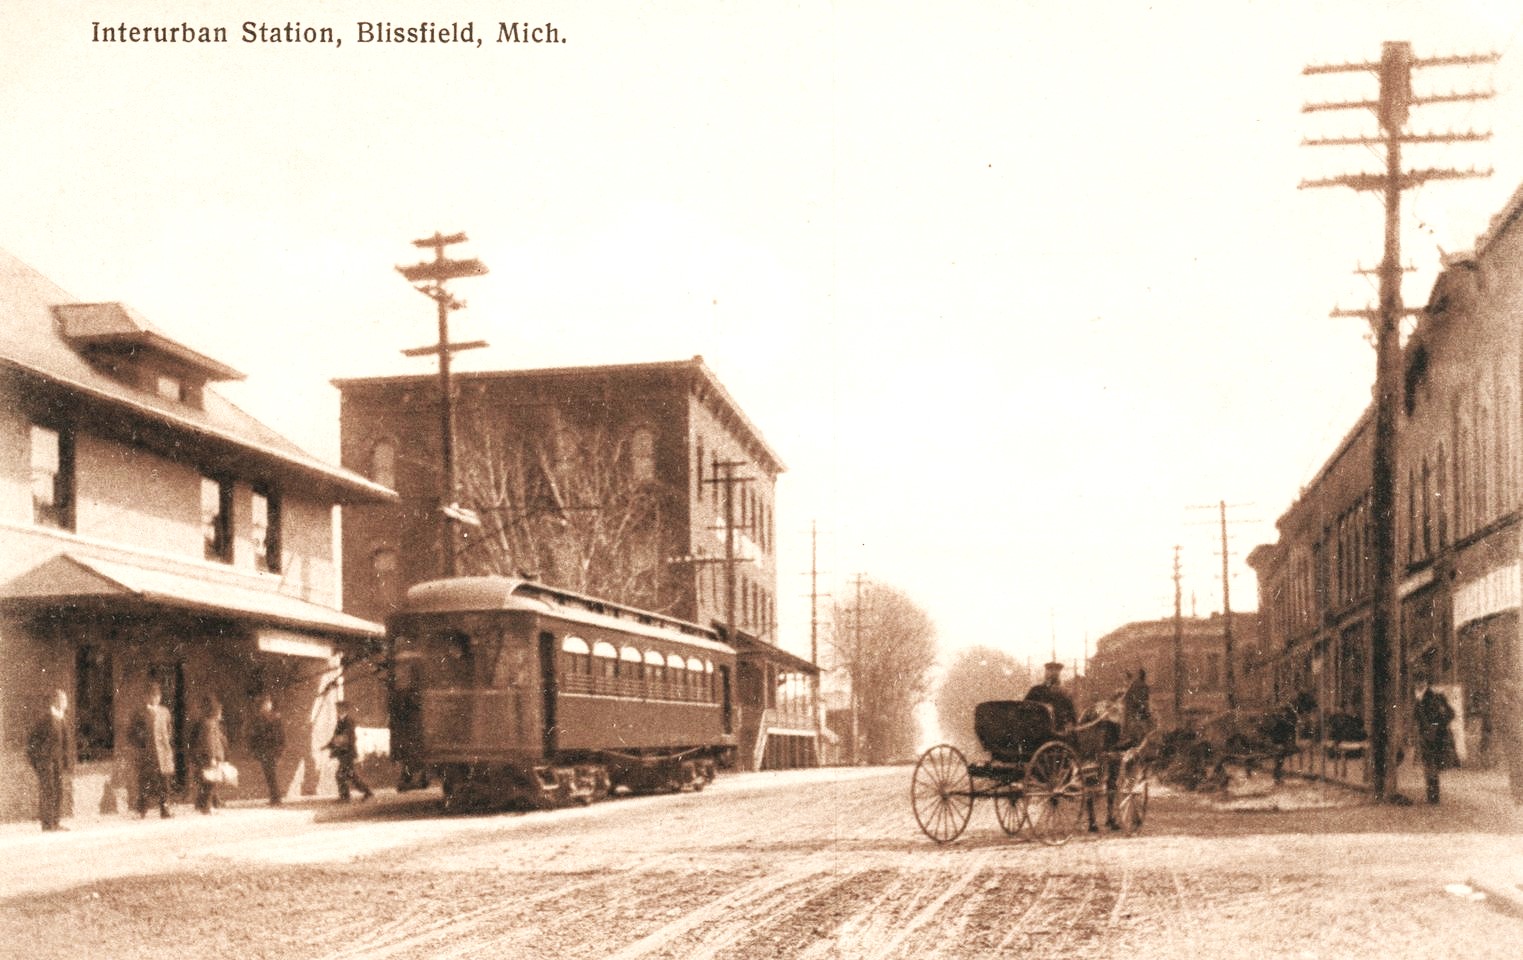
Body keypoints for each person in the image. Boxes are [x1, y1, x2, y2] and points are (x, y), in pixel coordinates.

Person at [25, 689, 73, 832]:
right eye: (63, 700)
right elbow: (31, 741)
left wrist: (65, 761)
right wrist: (38, 760)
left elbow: (65, 743)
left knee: (58, 790)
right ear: (56, 701)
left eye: (66, 700)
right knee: (48, 791)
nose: (66, 703)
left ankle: (55, 822)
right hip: (45, 762)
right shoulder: (45, 719)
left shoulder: (62, 718)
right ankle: (47, 824)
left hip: (57, 762)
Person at [128, 684, 175, 819]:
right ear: (146, 697)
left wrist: (166, 744)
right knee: (145, 782)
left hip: (163, 752)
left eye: (157, 696)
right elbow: (132, 733)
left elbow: (169, 730)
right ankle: (142, 810)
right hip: (147, 753)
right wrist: (142, 744)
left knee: (165, 783)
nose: (155, 698)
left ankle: (165, 810)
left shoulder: (165, 712)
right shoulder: (140, 713)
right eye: (152, 695)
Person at [1413, 672, 1457, 805]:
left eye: (1422, 681)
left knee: (1432, 765)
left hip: (1436, 736)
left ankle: (1433, 797)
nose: (1420, 684)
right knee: (1428, 766)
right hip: (1423, 735)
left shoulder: (1437, 696)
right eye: (1418, 681)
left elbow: (1451, 714)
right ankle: (1431, 796)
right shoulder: (1415, 697)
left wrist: (1437, 725)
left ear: (1426, 682)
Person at [326, 701, 373, 802]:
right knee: (350, 775)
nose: (337, 711)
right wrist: (329, 745)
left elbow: (348, 738)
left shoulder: (349, 721)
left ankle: (346, 797)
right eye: (337, 709)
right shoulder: (340, 721)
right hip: (344, 753)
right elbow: (336, 736)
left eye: (339, 709)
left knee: (340, 775)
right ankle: (366, 792)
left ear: (344, 709)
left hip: (347, 753)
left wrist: (336, 745)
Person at [189, 697, 229, 814]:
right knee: (210, 782)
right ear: (215, 712)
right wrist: (212, 757)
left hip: (208, 756)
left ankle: (202, 804)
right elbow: (210, 742)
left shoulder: (209, 723)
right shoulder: (210, 724)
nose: (221, 714)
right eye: (220, 711)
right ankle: (206, 806)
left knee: (207, 781)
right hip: (210, 757)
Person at [247, 694, 286, 805]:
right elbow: (254, 735)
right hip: (264, 751)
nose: (266, 706)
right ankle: (274, 798)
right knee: (269, 775)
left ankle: (276, 798)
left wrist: (280, 750)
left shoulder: (275, 718)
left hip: (272, 750)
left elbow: (281, 736)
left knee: (271, 774)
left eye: (267, 703)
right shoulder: (259, 718)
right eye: (264, 704)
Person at [1025, 661, 1078, 732]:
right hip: (1038, 730)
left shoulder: (1065, 693)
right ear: (1046, 673)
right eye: (1050, 670)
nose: (1053, 673)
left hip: (1059, 732)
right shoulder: (1036, 690)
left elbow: (1072, 716)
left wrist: (1069, 724)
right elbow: (1025, 710)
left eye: (1056, 671)